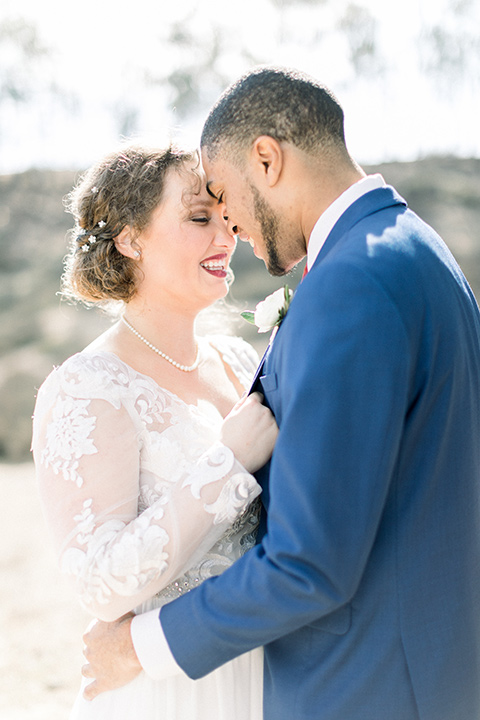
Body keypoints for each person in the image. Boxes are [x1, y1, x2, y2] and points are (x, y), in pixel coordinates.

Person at [82, 68, 480, 720]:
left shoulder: (352, 283)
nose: (229, 225)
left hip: (366, 686)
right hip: (422, 669)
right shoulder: (415, 250)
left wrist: (137, 647)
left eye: (223, 193)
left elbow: (309, 563)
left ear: (266, 158)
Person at [31, 144, 278, 720]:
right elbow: (100, 583)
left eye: (225, 216)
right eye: (199, 218)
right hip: (170, 693)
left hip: (269, 672)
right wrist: (228, 464)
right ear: (130, 239)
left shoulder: (240, 361)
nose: (227, 234)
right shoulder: (89, 387)